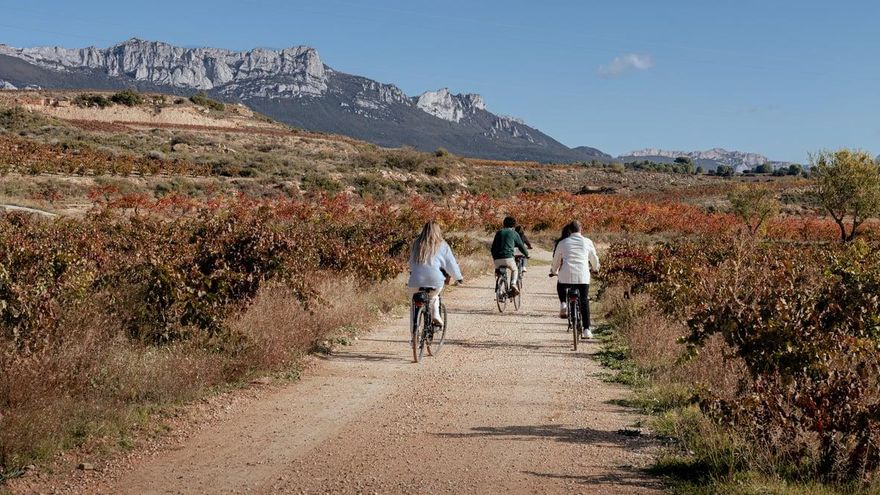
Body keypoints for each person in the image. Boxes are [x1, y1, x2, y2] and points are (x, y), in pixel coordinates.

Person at [549, 221, 600, 339]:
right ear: (581, 229)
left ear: (570, 230)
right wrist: (595, 268)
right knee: (584, 300)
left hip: (566, 275)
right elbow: (593, 258)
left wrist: (553, 271)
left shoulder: (562, 242)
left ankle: (563, 304)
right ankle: (587, 330)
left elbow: (556, 260)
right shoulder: (587, 242)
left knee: (560, 284)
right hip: (582, 276)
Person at [407, 221, 463, 326]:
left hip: (415, 281)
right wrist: (458, 277)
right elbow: (451, 264)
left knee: (413, 305)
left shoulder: (416, 243)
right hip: (435, 280)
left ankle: (414, 336)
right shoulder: (443, 245)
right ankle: (436, 315)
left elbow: (411, 263)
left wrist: (412, 272)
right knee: (434, 296)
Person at [491, 216, 529, 296]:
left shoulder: (499, 232)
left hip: (497, 258)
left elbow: (493, 247)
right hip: (508, 258)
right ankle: (513, 284)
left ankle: (499, 290)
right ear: (514, 225)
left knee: (498, 272)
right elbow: (521, 246)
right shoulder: (514, 233)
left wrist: (494, 257)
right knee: (515, 270)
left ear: (503, 224)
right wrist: (526, 254)